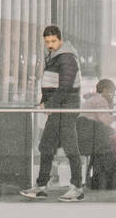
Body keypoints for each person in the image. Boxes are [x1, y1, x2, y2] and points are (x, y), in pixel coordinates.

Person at [21, 24, 85, 200]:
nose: (50, 44)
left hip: (66, 107)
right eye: (47, 41)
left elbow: (65, 87)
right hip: (59, 107)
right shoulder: (55, 56)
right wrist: (46, 102)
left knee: (70, 147)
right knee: (47, 146)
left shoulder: (66, 58)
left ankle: (77, 188)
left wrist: (48, 104)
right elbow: (51, 84)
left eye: (53, 41)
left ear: (60, 40)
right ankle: (41, 186)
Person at [82, 77, 116, 191]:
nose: (113, 94)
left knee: (107, 143)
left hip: (87, 137)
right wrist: (115, 116)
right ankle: (112, 180)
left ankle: (101, 179)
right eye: (112, 91)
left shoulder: (92, 99)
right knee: (115, 142)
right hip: (93, 138)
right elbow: (105, 120)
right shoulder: (101, 100)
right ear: (105, 90)